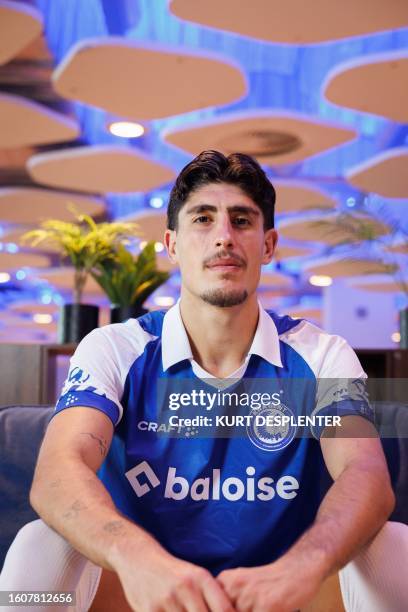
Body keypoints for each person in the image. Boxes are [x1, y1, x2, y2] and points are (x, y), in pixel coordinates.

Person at [1, 150, 407, 612]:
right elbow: (58, 471)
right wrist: (137, 559)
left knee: (392, 543)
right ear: (172, 244)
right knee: (40, 543)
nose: (223, 237)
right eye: (203, 219)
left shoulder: (323, 355)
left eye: (241, 220)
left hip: (283, 593)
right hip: (140, 591)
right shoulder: (114, 348)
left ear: (268, 245)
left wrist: (304, 564)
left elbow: (365, 474)